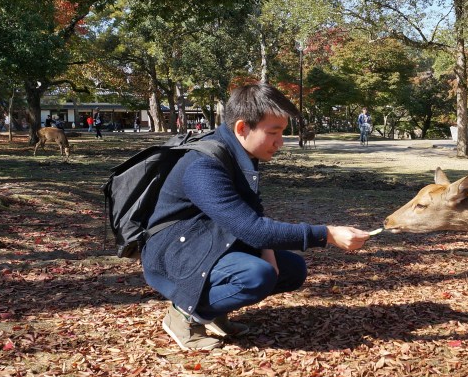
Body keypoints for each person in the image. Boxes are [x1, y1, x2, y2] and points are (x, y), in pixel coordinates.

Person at [143, 83, 372, 351]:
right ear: (242, 128)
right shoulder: (204, 165)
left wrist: (268, 252)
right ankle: (184, 315)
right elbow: (251, 228)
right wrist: (327, 234)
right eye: (273, 132)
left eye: (282, 132)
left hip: (207, 238)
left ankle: (213, 311)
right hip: (174, 250)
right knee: (255, 276)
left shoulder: (238, 152)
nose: (280, 142)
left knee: (291, 270)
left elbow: (253, 210)